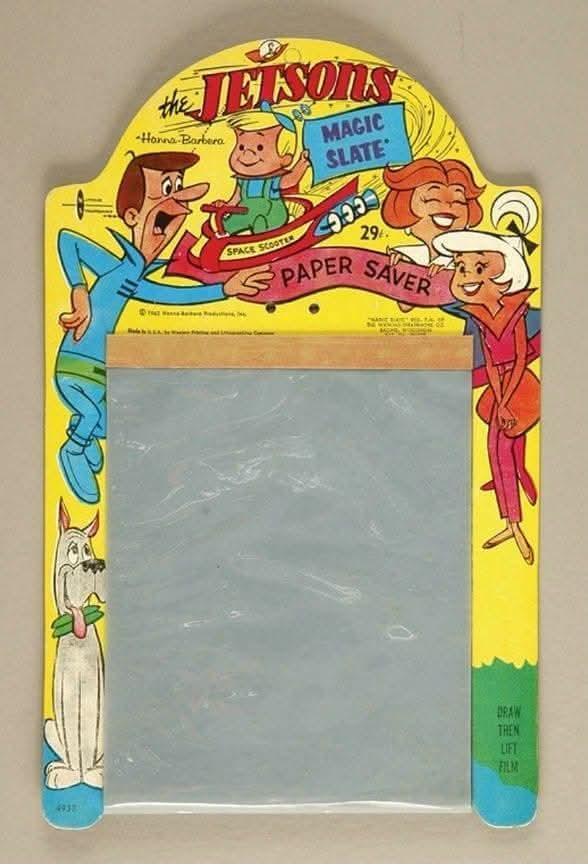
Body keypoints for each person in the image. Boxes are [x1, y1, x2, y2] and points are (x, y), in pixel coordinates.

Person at [56, 151, 273, 504]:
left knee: (108, 424)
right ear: (132, 216)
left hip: (99, 375)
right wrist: (79, 291)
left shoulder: (135, 274)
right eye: (166, 189)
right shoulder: (119, 268)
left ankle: (83, 435)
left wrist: (225, 289)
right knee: (94, 414)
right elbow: (68, 239)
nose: (169, 226)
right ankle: (73, 449)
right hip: (75, 367)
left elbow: (168, 295)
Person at [433, 201, 540, 565]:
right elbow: (492, 363)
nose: (467, 276)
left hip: (519, 387)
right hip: (499, 389)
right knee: (496, 448)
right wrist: (499, 397)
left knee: (503, 446)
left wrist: (506, 400)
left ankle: (514, 522)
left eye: (479, 267)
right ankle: (511, 519)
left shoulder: (517, 311)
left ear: (505, 270)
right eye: (461, 267)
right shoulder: (478, 316)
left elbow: (520, 358)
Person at [214, 101, 310, 235]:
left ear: (285, 157)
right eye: (241, 147)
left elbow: (289, 181)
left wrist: (302, 163)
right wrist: (225, 206)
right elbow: (236, 198)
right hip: (245, 211)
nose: (246, 154)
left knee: (261, 226)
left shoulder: (272, 179)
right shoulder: (243, 180)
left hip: (270, 213)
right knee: (225, 225)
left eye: (260, 147)